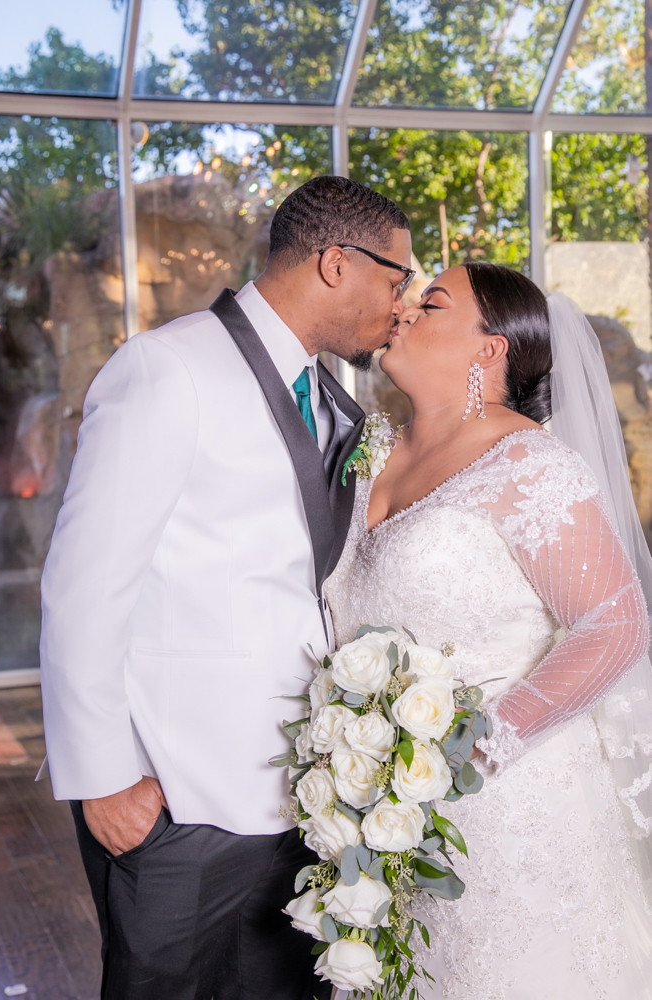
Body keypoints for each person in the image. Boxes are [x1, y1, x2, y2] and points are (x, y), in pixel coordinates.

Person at [38, 175, 413, 999]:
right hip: (177, 800)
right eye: (396, 279)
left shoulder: (327, 392)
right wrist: (104, 777)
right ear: (334, 263)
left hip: (296, 796)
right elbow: (84, 584)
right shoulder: (167, 368)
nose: (401, 305)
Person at [325, 262, 652, 998]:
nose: (405, 310)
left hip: (509, 809)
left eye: (431, 301)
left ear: (490, 350)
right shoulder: (370, 449)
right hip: (380, 803)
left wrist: (481, 747)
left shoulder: (528, 463)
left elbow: (617, 623)